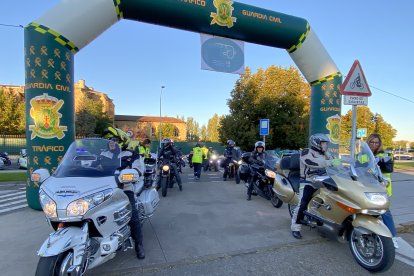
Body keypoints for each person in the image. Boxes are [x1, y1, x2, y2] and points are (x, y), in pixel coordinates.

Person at [102, 126, 146, 259]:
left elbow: (138, 168)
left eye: (113, 139)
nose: (110, 142)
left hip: (124, 187)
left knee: (132, 215)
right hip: (104, 188)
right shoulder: (104, 154)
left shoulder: (130, 153)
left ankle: (139, 244)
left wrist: (134, 173)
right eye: (108, 140)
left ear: (120, 140)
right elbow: (95, 167)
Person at [291, 133, 340, 239]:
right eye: (323, 143)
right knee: (302, 204)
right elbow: (313, 162)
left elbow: (336, 164)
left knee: (327, 204)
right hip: (308, 181)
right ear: (316, 143)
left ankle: (324, 227)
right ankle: (295, 227)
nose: (325, 146)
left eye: (326, 144)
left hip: (323, 181)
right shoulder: (306, 152)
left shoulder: (326, 154)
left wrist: (343, 164)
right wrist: (330, 162)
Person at [366, 133, 399, 248]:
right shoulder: (362, 154)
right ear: (368, 142)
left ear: (380, 144)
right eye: (372, 142)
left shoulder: (386, 154)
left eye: (376, 142)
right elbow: (357, 166)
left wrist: (379, 161)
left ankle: (393, 237)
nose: (374, 144)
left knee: (385, 212)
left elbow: (389, 169)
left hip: (382, 188)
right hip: (366, 186)